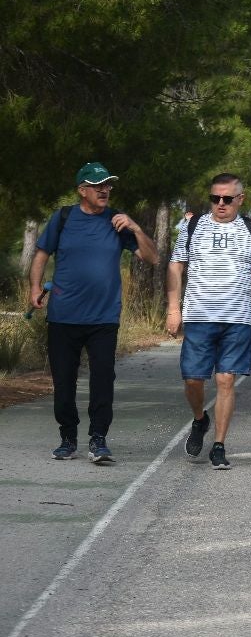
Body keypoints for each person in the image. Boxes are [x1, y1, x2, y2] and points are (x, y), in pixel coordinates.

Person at [30, 162, 159, 462]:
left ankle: (98, 439)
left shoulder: (117, 221)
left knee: (103, 380)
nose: (105, 190)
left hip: (104, 318)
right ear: (82, 190)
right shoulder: (63, 218)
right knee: (64, 381)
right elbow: (41, 254)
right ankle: (67, 438)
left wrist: (137, 228)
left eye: (108, 184)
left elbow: (151, 258)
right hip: (63, 316)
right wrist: (34, 287)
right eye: (97, 185)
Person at [166, 173, 251, 470]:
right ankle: (200, 419)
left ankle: (219, 445)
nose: (221, 204)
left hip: (238, 318)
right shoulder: (192, 225)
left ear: (241, 198)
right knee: (193, 379)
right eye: (215, 198)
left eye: (227, 199)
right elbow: (176, 266)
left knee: (226, 380)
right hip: (199, 315)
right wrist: (173, 308)